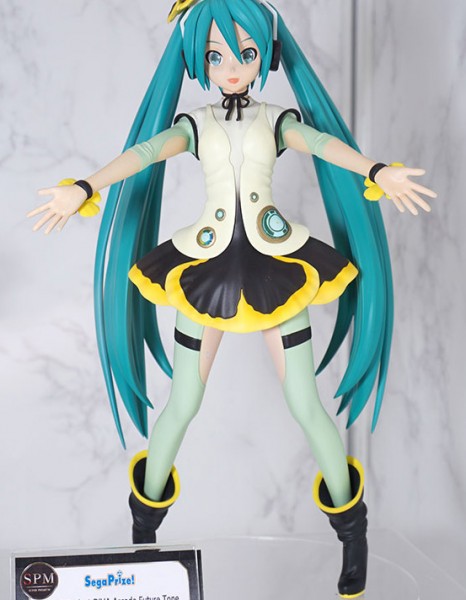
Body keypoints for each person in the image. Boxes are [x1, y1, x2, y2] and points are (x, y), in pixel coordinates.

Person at [28, 1, 436, 596]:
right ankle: (143, 536)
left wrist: (376, 171)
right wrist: (85, 186)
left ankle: (353, 535)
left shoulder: (276, 120)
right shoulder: (196, 126)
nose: (232, 68)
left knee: (305, 403)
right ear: (198, 59)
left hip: (278, 269)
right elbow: (144, 153)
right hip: (205, 273)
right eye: (216, 56)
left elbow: (324, 145)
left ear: (266, 54)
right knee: (183, 402)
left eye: (245, 53)